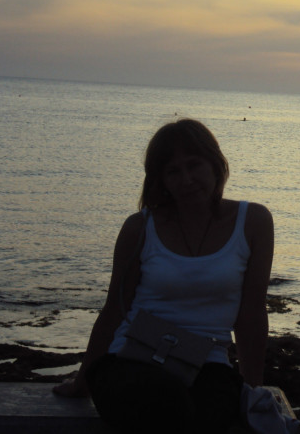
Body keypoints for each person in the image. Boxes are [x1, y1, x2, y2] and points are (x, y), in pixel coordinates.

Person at [54, 118, 274, 433]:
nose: (187, 179)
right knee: (165, 404)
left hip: (208, 363)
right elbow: (115, 310)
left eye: (194, 165)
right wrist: (82, 382)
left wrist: (253, 391)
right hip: (130, 359)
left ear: (215, 164)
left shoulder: (253, 222)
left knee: (208, 415)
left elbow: (251, 313)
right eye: (173, 171)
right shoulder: (140, 228)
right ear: (161, 180)